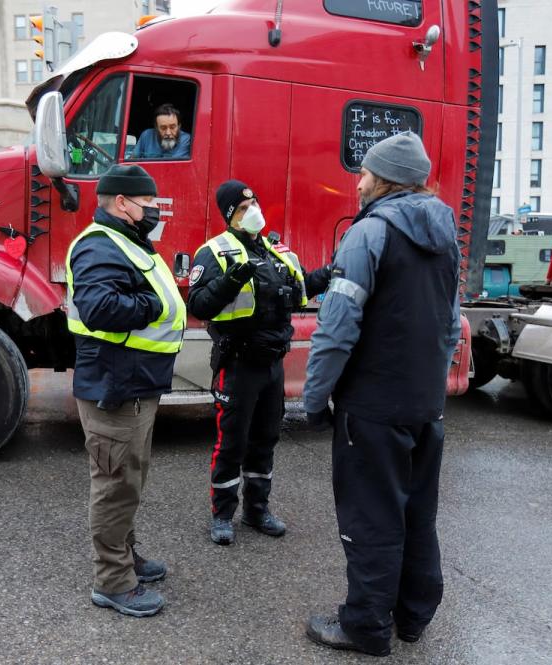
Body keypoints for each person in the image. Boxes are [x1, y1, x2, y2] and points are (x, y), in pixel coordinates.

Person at [302, 132, 461, 657]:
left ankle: (366, 626)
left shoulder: (368, 234)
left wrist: (313, 397)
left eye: (366, 172)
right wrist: (430, 388)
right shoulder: (446, 234)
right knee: (418, 514)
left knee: (371, 517)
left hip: (371, 407)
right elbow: (450, 323)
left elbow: (336, 326)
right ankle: (413, 617)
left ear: (386, 178)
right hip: (422, 406)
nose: (359, 179)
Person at [65, 164, 187, 618]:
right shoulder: (100, 244)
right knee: (115, 484)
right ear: (122, 202)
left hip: (132, 383)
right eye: (149, 202)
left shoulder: (127, 241)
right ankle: (113, 581)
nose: (155, 210)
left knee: (129, 481)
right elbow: (98, 307)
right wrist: (154, 303)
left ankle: (126, 558)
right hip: (114, 388)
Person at [188, 180, 331, 546]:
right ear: (228, 215)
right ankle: (222, 514)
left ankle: (256, 510)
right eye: (241, 207)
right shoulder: (215, 252)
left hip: (272, 364)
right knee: (231, 442)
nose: (251, 210)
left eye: (253, 202)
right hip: (238, 363)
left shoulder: (276, 251)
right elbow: (199, 306)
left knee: (265, 439)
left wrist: (326, 276)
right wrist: (232, 281)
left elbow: (297, 295)